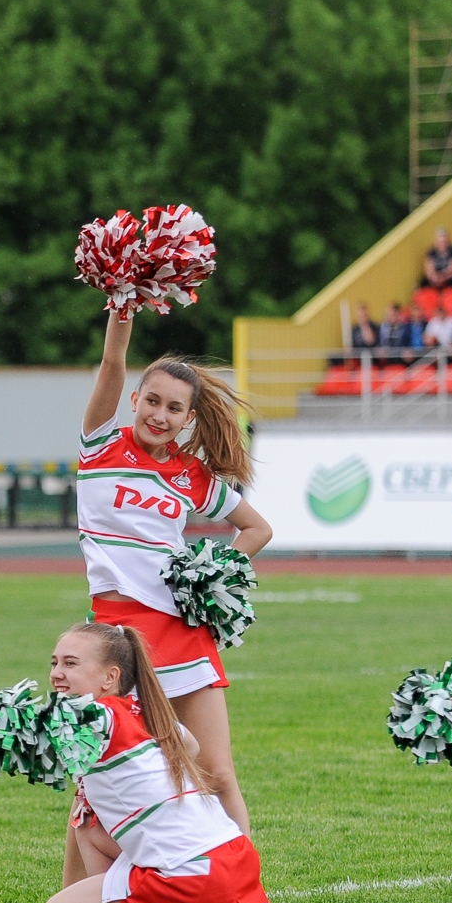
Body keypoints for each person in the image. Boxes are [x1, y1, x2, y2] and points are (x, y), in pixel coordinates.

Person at [76, 309, 273, 833]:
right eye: (154, 401)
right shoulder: (101, 446)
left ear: (189, 420)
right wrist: (122, 306)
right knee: (95, 779)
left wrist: (212, 576)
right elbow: (113, 361)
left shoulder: (192, 476)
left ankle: (244, 899)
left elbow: (256, 529)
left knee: (217, 773)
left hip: (182, 630)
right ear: (135, 401)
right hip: (116, 638)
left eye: (175, 409)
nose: (160, 415)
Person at [41, 622, 281, 903]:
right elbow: (192, 749)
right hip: (230, 860)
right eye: (55, 662)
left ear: (110, 677)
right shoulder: (144, 709)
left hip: (194, 877)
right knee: (87, 822)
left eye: (71, 664)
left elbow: (33, 734)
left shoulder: (98, 718)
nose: (57, 673)